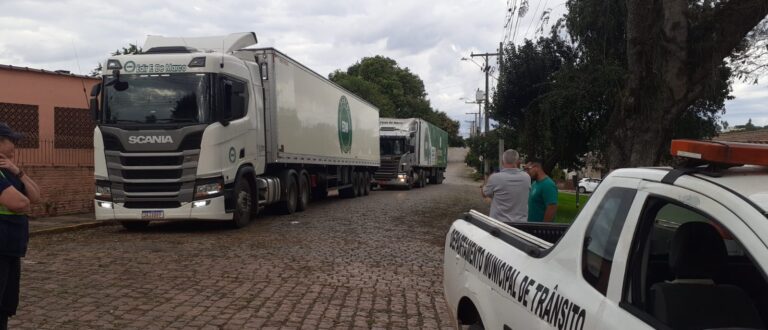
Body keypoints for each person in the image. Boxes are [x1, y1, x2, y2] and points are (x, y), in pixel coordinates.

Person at [0, 123, 40, 329]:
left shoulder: (8, 170)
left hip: (10, 248)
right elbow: (21, 203)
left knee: (5, 305)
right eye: (11, 141)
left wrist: (19, 172)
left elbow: (35, 196)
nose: (15, 146)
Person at [481, 149, 530, 223]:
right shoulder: (526, 177)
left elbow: (484, 194)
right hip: (520, 225)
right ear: (518, 161)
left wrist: (484, 183)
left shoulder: (495, 177)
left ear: (502, 162)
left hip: (499, 225)